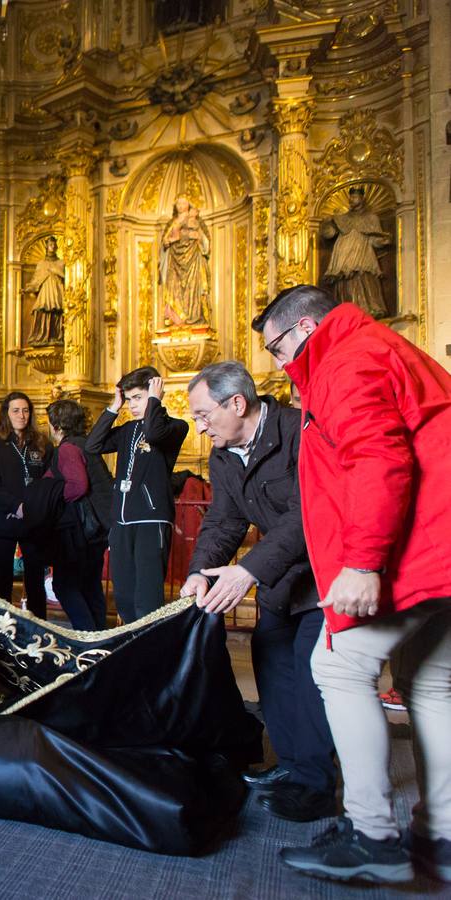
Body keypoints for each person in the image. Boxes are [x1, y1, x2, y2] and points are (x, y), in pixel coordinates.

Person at [255, 285, 451, 885]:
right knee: (432, 684)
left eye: (279, 348)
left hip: (416, 549)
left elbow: (378, 459)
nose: (281, 365)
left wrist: (363, 562)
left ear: (306, 328)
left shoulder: (346, 360)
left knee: (338, 668)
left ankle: (373, 837)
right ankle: (441, 834)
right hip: (441, 547)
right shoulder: (379, 347)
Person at [180, 361, 336, 824]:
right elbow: (225, 521)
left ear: (237, 403)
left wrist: (247, 571)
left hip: (323, 576)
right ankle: (290, 766)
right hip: (281, 580)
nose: (199, 426)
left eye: (204, 415)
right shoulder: (223, 453)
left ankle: (316, 784)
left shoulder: (299, 432)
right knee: (273, 670)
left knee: (312, 683)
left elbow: (307, 516)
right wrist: (199, 573)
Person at [88, 366, 189, 624]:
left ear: (155, 392)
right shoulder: (128, 430)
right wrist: (114, 406)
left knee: (147, 599)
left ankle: (151, 656)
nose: (132, 405)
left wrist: (155, 401)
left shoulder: (175, 427)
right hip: (121, 523)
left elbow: (154, 433)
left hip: (150, 520)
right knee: (123, 597)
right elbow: (93, 445)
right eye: (129, 399)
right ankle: (132, 652)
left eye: (138, 398)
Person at [0, 391, 53, 617]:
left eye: (26, 410)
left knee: (35, 580)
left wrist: (34, 508)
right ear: (6, 414)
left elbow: (49, 481)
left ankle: (39, 630)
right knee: (2, 578)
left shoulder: (42, 444)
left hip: (34, 520)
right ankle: (2, 630)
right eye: (16, 410)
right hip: (4, 518)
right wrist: (16, 507)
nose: (22, 415)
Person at [43, 399, 113, 631]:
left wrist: (51, 496)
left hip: (79, 533)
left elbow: (78, 486)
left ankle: (87, 636)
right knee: (90, 586)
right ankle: (98, 639)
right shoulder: (85, 444)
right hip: (98, 531)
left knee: (65, 586)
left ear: (56, 425)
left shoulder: (68, 448)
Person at [320, 185, 390, 319]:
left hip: (362, 252)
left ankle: (368, 308)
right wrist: (328, 223)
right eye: (351, 197)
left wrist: (383, 241)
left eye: (355, 196)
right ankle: (346, 310)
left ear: (362, 198)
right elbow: (329, 234)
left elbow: (375, 239)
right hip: (343, 253)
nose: (352, 200)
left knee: (363, 276)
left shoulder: (371, 218)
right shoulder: (342, 218)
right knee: (345, 279)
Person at [159, 195, 211, 327]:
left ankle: (194, 317)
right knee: (174, 287)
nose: (181, 206)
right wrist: (169, 241)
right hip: (174, 263)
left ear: (189, 205)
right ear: (175, 206)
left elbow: (205, 242)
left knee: (194, 287)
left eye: (184, 203)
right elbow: (165, 242)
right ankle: (175, 318)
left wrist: (198, 237)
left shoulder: (195, 221)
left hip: (193, 259)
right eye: (179, 203)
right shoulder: (172, 223)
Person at [26, 236, 65, 344]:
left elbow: (67, 278)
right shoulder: (41, 263)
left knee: (57, 311)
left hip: (57, 291)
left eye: (53, 245)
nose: (52, 247)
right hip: (45, 292)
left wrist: (56, 271)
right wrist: (29, 288)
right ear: (46, 246)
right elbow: (36, 279)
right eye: (50, 244)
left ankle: (57, 336)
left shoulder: (61, 263)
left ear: (56, 246)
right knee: (42, 311)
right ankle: (42, 336)